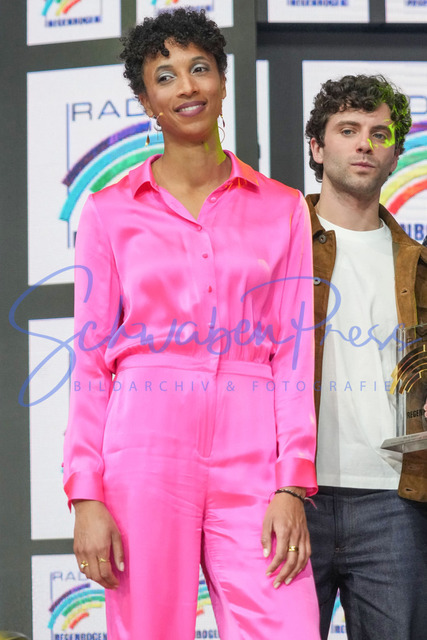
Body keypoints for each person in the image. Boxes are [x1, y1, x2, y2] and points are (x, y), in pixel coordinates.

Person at [63, 9, 320, 639]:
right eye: (165, 76)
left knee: (286, 625)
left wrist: (292, 483)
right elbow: (90, 360)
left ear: (223, 81)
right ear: (147, 101)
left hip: (253, 450)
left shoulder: (284, 208)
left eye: (199, 68)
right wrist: (86, 494)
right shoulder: (109, 211)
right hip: (144, 447)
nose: (186, 86)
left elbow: (293, 354)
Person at [304, 74, 427, 640]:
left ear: (395, 154)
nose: (364, 144)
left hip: (394, 502)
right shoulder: (276, 243)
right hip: (291, 495)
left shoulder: (419, 265)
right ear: (316, 146)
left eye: (380, 134)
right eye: (348, 129)